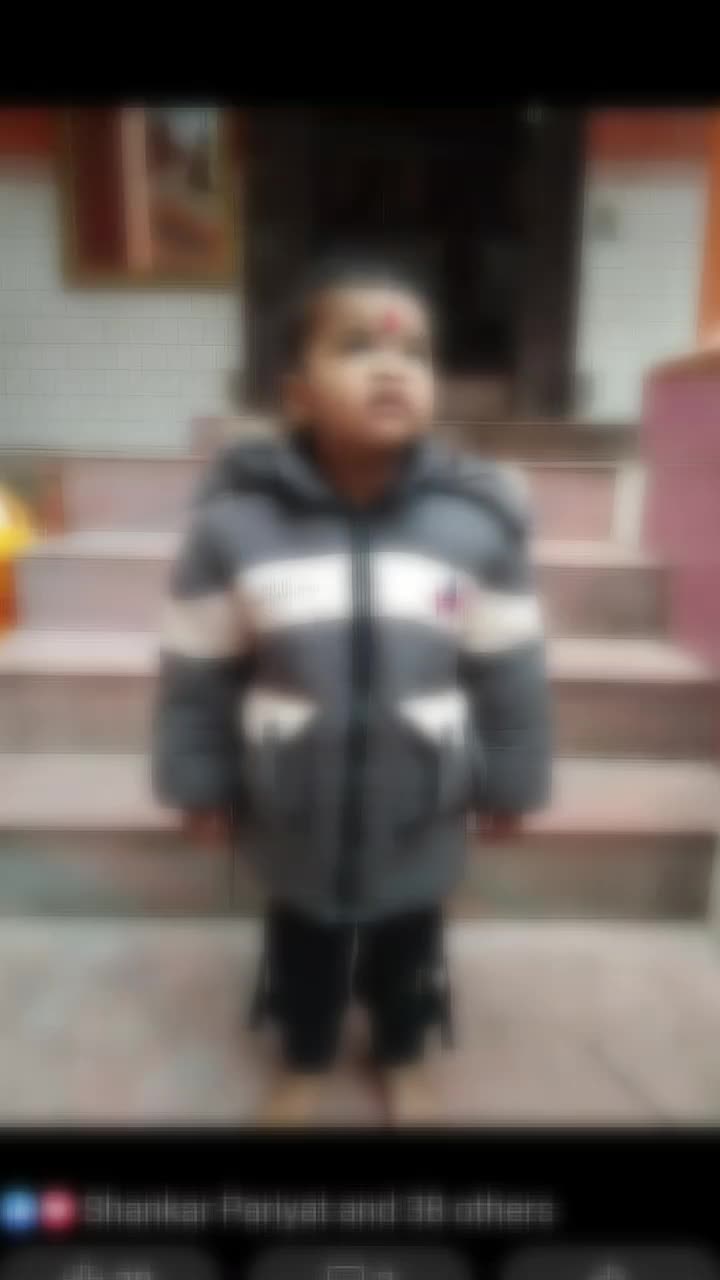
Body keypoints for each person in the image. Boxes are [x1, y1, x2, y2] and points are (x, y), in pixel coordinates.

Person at [151, 253, 552, 1126]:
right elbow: (198, 670)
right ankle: (304, 1053)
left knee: (411, 941)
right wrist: (197, 779)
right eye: (357, 347)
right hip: (292, 793)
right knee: (303, 941)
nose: (391, 367)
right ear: (298, 394)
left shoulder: (476, 526)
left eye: (414, 354)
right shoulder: (235, 527)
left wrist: (514, 780)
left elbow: (509, 669)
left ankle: (402, 1052)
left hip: (423, 793)